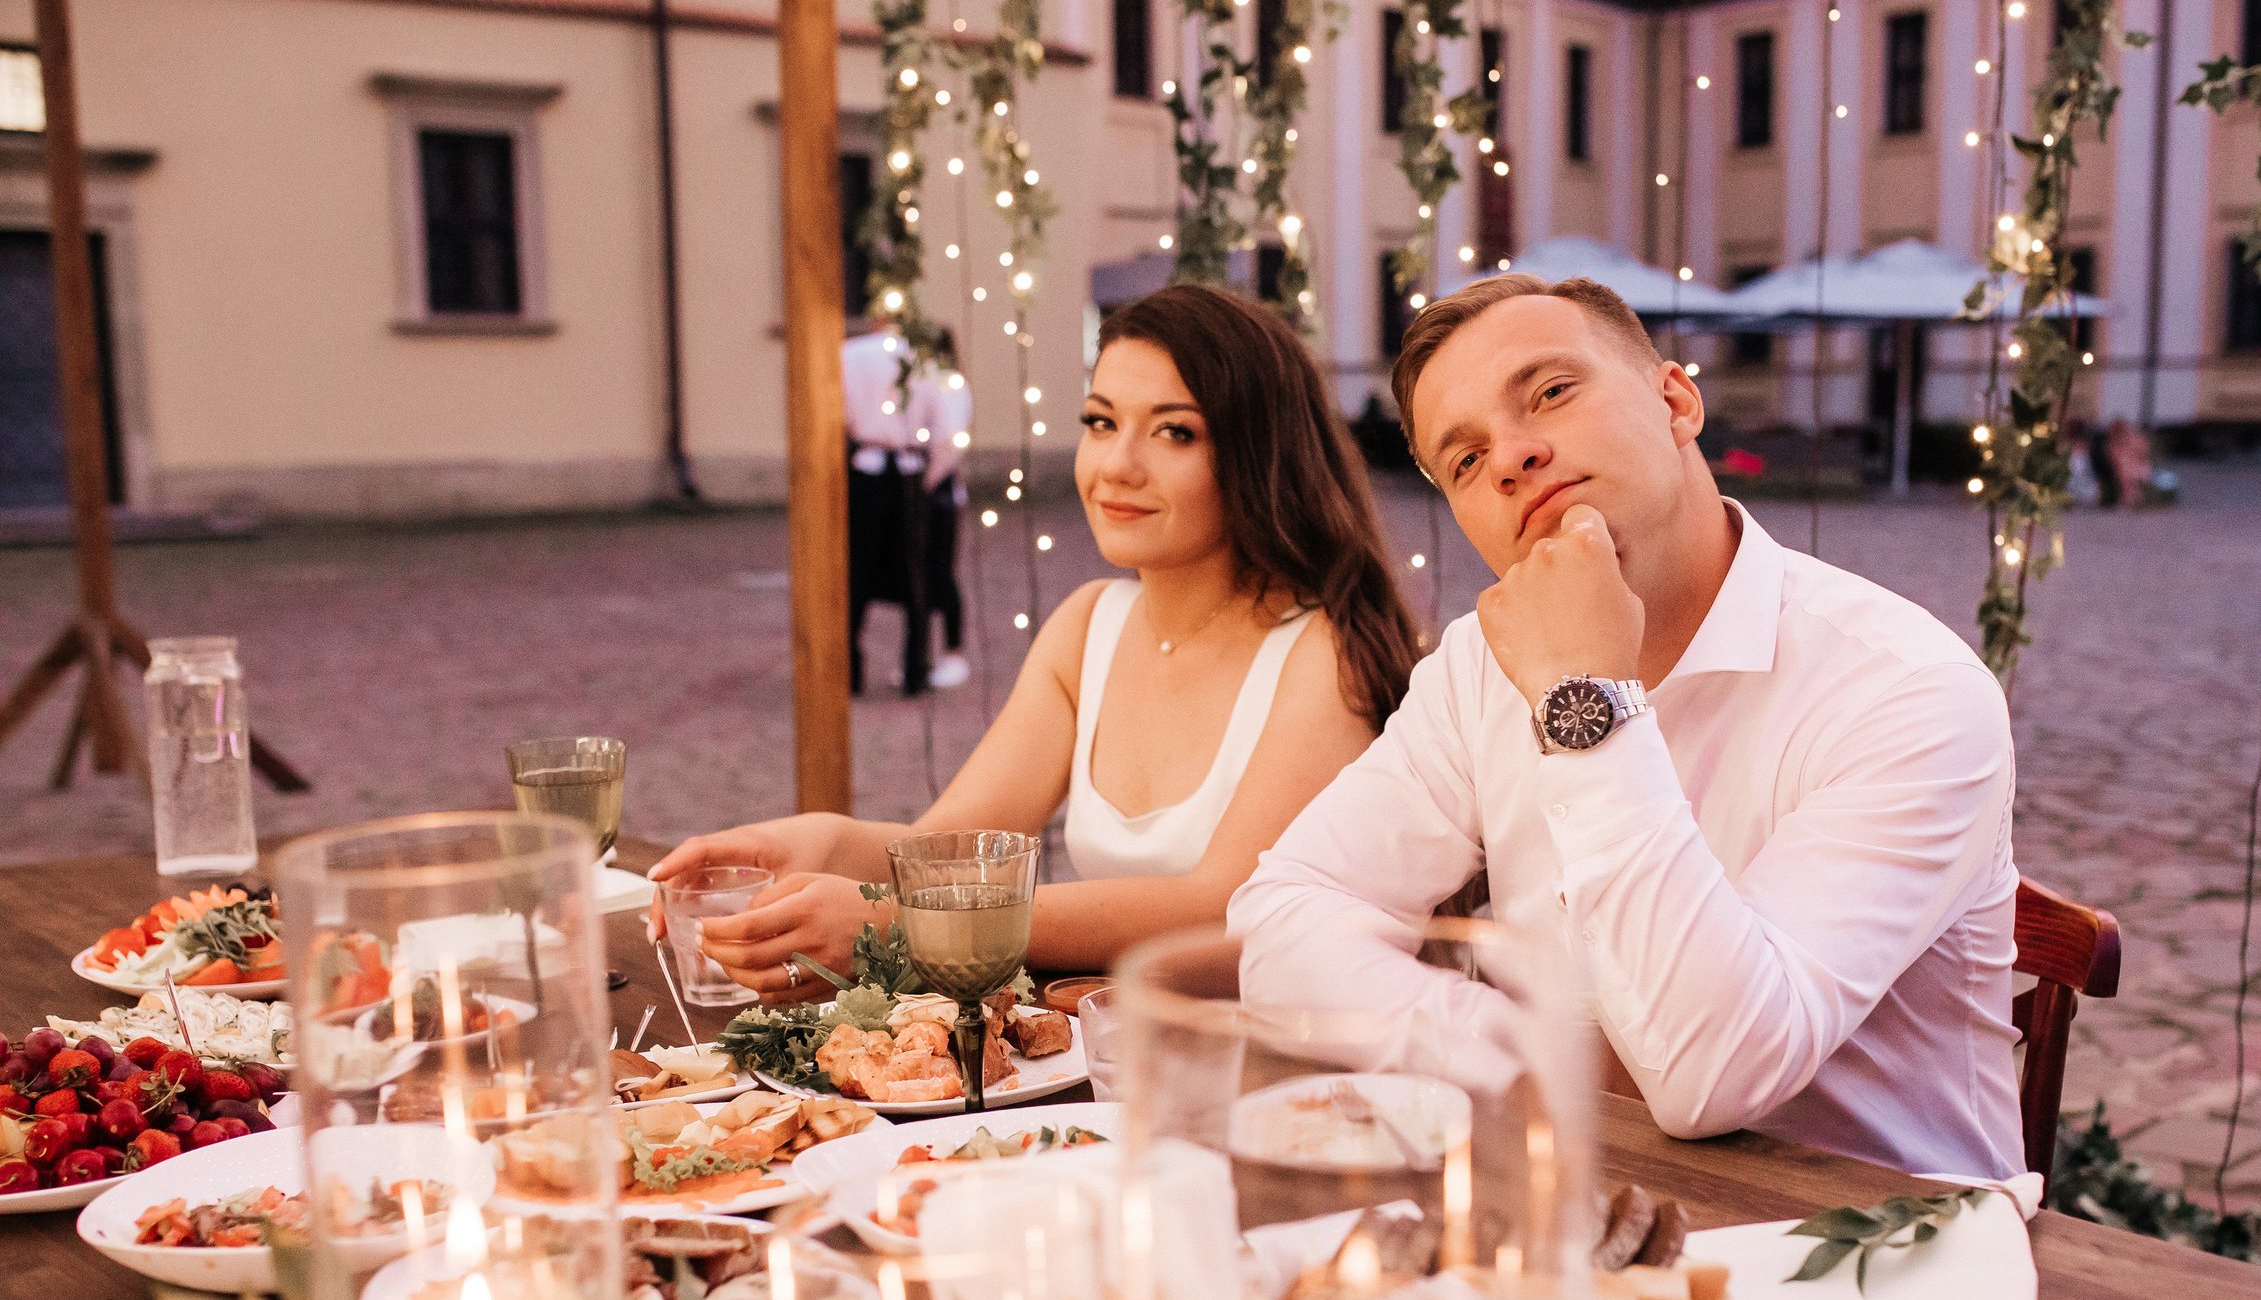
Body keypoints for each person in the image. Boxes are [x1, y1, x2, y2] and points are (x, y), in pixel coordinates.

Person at [1228, 274, 2023, 1178]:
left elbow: (1713, 1073)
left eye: (1550, 392)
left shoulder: (1906, 688)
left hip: (1879, 1236)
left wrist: (1583, 695)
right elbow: (1283, 917)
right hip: (1569, 1192)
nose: (1510, 457)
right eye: (1465, 460)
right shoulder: (1480, 663)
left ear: (1676, 400)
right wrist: (1516, 1055)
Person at [651, 284, 1423, 984]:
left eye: (1174, 432)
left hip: (1285, 1060)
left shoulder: (1324, 651)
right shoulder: (1089, 626)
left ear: (1261, 454)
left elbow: (1223, 906)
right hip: (1111, 1048)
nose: (1117, 464)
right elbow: (947, 850)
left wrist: (910, 923)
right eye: (1101, 422)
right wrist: (811, 844)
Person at [840, 319, 933, 696]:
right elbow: (941, 422)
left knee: (856, 568)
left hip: (867, 468)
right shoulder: (921, 357)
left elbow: (839, 410)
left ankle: (848, 668)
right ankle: (916, 668)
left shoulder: (849, 354)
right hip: (908, 470)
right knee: (915, 570)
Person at [919, 361, 973, 690]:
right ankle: (919, 657)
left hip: (938, 491)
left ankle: (953, 652)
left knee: (939, 571)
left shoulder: (948, 383)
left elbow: (951, 442)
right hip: (918, 484)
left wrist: (926, 481)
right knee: (917, 576)